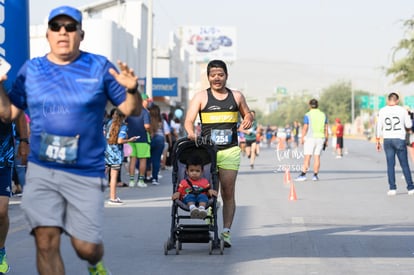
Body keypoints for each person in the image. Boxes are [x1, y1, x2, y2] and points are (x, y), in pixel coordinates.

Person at [0, 6, 142, 275]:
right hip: (43, 169)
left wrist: (132, 89)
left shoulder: (99, 67)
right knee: (45, 240)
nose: (63, 32)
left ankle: (94, 262)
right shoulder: (32, 70)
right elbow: (8, 114)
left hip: (85, 170)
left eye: (69, 27)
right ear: (48, 34)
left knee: (85, 247)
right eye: (56, 27)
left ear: (81, 33)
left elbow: (130, 110)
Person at [184, 59, 253, 247]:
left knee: (228, 192)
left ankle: (226, 231)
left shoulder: (236, 96)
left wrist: (248, 118)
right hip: (207, 152)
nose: (217, 78)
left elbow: (248, 113)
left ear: (226, 76)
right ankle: (209, 218)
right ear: (208, 77)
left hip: (230, 151)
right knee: (207, 189)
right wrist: (190, 133)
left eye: (220, 75)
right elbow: (189, 120)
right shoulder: (200, 97)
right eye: (213, 75)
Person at [0, 114, 28, 274]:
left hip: (3, 158)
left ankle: (0, 251)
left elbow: (19, 115)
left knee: (2, 211)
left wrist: (24, 140)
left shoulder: (8, 88)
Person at [375, 92, 414, 196]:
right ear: (397, 101)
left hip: (387, 139)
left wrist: (378, 140)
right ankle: (410, 187)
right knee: (404, 164)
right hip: (399, 139)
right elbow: (409, 125)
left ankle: (392, 188)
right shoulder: (402, 110)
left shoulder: (382, 111)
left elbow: (379, 126)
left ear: (388, 100)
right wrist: (408, 116)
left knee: (390, 165)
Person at [104, 108, 137, 205]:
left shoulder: (109, 123)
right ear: (124, 116)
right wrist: (130, 140)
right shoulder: (123, 126)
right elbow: (119, 141)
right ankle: (112, 198)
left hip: (106, 151)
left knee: (101, 174)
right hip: (116, 154)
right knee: (113, 177)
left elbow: (105, 134)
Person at [295, 98, 328, 182]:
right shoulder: (323, 115)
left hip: (310, 138)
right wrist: (326, 140)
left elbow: (305, 127)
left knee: (307, 157)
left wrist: (302, 137)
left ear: (310, 105)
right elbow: (326, 128)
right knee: (317, 157)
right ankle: (315, 176)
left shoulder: (308, 114)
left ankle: (303, 175)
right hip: (320, 138)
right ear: (317, 105)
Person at [126, 93, 151, 188]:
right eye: (146, 101)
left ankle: (131, 181)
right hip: (142, 139)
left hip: (130, 139)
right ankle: (140, 180)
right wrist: (149, 131)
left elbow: (126, 123)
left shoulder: (131, 110)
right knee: (143, 160)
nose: (147, 103)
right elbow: (147, 126)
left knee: (132, 159)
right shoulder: (145, 112)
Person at [146, 104, 165, 185]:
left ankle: (145, 177)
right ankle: (155, 179)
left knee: (147, 159)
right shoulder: (161, 119)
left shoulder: (148, 118)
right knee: (156, 160)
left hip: (150, 139)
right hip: (160, 139)